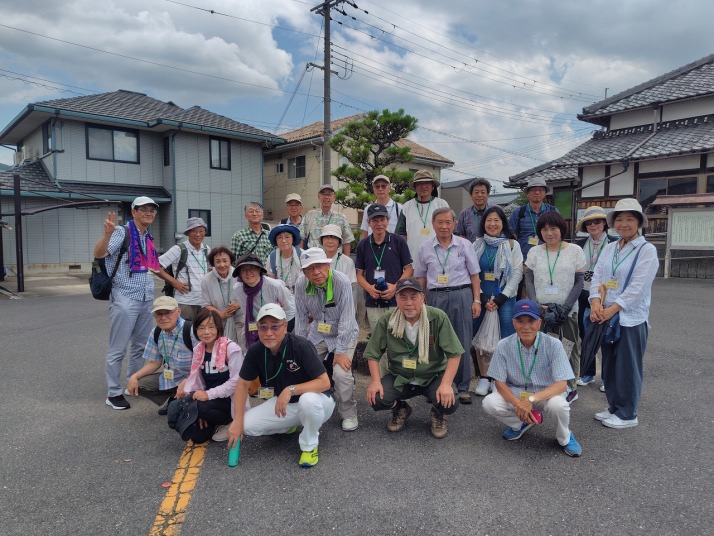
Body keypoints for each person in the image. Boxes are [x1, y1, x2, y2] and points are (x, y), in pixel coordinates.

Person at [227, 304, 335, 468]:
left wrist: (290, 390)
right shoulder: (255, 351)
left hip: (319, 402)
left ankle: (309, 446)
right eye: (263, 327)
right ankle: (290, 424)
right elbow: (242, 385)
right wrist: (237, 420)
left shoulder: (301, 346)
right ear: (257, 329)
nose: (269, 333)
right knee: (245, 425)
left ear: (285, 327)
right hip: (285, 405)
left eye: (275, 327)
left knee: (307, 401)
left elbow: (324, 382)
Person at [589, 199, 658, 429]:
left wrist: (611, 309)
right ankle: (614, 407)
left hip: (630, 318)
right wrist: (595, 302)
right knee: (610, 365)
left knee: (628, 366)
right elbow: (597, 276)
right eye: (619, 219)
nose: (624, 224)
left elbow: (638, 288)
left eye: (629, 219)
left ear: (639, 222)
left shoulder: (647, 250)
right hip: (606, 316)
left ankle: (628, 414)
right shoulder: (610, 248)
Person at [364, 277, 463, 438]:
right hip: (400, 376)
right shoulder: (388, 320)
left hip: (432, 376)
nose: (408, 303)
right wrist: (375, 382)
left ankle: (438, 412)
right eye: (403, 297)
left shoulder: (438, 317)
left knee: (450, 401)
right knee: (376, 397)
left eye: (413, 297)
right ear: (396, 299)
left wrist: (445, 384)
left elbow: (455, 354)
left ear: (423, 298)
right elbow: (372, 354)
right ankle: (400, 408)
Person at [482, 299, 582, 457]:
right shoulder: (503, 345)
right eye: (520, 321)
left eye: (531, 321)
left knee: (559, 405)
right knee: (489, 403)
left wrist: (530, 400)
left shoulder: (554, 344)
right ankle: (521, 423)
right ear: (513, 323)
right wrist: (518, 405)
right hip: (517, 393)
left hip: (545, 393)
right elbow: (499, 383)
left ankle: (565, 437)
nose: (526, 326)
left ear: (539, 323)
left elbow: (561, 385)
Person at [93, 196, 161, 410]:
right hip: (125, 296)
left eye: (152, 210)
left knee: (140, 346)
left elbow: (154, 267)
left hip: (145, 297)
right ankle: (113, 393)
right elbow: (99, 254)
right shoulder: (122, 232)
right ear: (133, 212)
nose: (149, 213)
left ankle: (133, 383)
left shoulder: (147, 236)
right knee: (118, 348)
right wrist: (107, 234)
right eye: (144, 209)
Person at [414, 207, 481, 404]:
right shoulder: (425, 247)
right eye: (440, 222)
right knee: (435, 341)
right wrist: (419, 301)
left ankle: (463, 386)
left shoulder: (464, 245)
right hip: (435, 296)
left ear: (454, 224)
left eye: (448, 222)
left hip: (461, 294)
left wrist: (476, 300)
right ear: (433, 225)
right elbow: (420, 277)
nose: (444, 226)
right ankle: (438, 385)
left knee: (462, 340)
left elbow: (474, 274)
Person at [294, 248, 359, 432]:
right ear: (304, 272)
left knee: (341, 373)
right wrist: (298, 348)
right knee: (301, 368)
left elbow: (347, 318)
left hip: (344, 332)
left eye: (320, 266)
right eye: (310, 269)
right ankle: (309, 407)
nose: (316, 272)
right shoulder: (301, 284)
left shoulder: (341, 281)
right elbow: (300, 317)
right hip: (318, 332)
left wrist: (340, 351)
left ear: (328, 265)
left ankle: (349, 413)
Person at [525, 211, 585, 403]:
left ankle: (570, 388)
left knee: (568, 347)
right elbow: (529, 279)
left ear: (561, 229)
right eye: (544, 229)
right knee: (541, 348)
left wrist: (566, 308)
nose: (549, 233)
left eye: (553, 228)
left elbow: (579, 281)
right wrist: (534, 303)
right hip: (540, 310)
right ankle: (545, 385)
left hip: (567, 310)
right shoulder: (535, 252)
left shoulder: (574, 250)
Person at [172, 309, 248, 443]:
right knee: (197, 437)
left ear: (219, 328)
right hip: (210, 400)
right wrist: (198, 409)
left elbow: (237, 382)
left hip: (229, 400)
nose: (206, 332)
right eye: (201, 328)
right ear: (196, 330)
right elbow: (197, 380)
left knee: (200, 407)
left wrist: (206, 397)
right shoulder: (198, 349)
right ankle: (211, 418)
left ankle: (229, 421)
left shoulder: (231, 348)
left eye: (211, 327)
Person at [471, 206, 523, 396]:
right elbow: (472, 272)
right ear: (483, 223)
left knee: (506, 338)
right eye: (488, 220)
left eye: (496, 220)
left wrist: (502, 298)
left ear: (503, 223)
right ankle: (484, 377)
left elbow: (517, 272)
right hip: (481, 297)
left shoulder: (512, 245)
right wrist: (482, 297)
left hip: (505, 298)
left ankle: (498, 379)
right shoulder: (476, 244)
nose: (492, 224)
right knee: (480, 338)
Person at [126, 296, 198, 413]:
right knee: (140, 384)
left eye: (168, 313)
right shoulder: (156, 332)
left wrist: (188, 381)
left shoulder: (191, 330)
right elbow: (155, 363)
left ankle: (187, 401)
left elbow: (204, 363)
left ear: (178, 312)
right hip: (173, 377)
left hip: (195, 377)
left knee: (183, 414)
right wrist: (134, 377)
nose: (163, 318)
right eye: (159, 314)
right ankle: (175, 398)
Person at [355, 203, 413, 337]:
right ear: (369, 223)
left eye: (382, 219)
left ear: (387, 221)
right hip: (373, 301)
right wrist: (369, 289)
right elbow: (359, 274)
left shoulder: (398, 241)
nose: (379, 224)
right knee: (378, 338)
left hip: (395, 300)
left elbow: (409, 269)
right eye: (375, 220)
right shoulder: (363, 244)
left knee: (397, 337)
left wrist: (395, 287)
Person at [574, 206, 616, 390]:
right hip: (584, 294)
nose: (593, 225)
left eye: (597, 221)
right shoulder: (579, 245)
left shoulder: (615, 243)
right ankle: (587, 373)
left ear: (604, 223)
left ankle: (607, 378)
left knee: (607, 338)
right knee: (586, 335)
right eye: (589, 222)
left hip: (608, 295)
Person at [231, 254, 295, 350]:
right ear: (239, 274)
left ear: (259, 270)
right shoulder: (238, 289)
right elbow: (246, 312)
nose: (248, 273)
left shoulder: (274, 286)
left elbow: (289, 309)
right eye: (243, 270)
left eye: (252, 268)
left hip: (275, 327)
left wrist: (281, 329)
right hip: (253, 327)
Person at [158, 217, 210, 321]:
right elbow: (155, 266)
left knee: (202, 329)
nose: (198, 234)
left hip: (204, 302)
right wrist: (174, 282)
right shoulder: (179, 249)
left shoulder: (206, 249)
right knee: (184, 329)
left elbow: (211, 271)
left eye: (201, 231)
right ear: (188, 233)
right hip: (185, 302)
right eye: (194, 231)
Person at [395, 169, 449, 259]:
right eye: (419, 183)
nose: (423, 186)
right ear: (415, 187)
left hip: (438, 258)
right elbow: (400, 234)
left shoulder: (442, 204)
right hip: (413, 258)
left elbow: (450, 230)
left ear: (432, 186)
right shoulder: (407, 206)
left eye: (427, 183)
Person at [508, 177, 559, 264]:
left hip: (548, 261)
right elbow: (512, 236)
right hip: (523, 261)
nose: (537, 192)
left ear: (545, 193)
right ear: (527, 193)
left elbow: (559, 235)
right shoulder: (518, 212)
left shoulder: (553, 211)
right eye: (533, 190)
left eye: (541, 190)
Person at [299, 184, 354, 253]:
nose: (326, 197)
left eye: (329, 194)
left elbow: (347, 241)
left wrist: (346, 259)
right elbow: (301, 237)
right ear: (318, 197)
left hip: (334, 258)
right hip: (314, 257)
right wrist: (301, 256)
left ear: (334, 197)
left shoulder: (341, 218)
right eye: (323, 194)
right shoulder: (309, 215)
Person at [200, 246, 240, 341]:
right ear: (213, 263)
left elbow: (247, 296)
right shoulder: (206, 279)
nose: (222, 265)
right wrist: (222, 314)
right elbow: (206, 304)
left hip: (238, 320)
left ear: (230, 261)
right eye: (218, 261)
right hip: (217, 321)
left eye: (225, 261)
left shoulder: (239, 275)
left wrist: (238, 305)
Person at [319, 224, 357, 296]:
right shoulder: (316, 261)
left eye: (334, 238)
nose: (330, 241)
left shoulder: (347, 262)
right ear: (322, 241)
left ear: (339, 242)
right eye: (326, 237)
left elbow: (352, 288)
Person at [455, 177, 495, 242]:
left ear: (487, 195)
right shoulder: (464, 214)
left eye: (483, 192)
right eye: (476, 192)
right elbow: (460, 235)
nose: (479, 195)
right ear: (471, 195)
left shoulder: (496, 211)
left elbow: (504, 231)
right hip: (471, 248)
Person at [266, 224, 303, 294]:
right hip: (281, 293)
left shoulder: (302, 255)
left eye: (287, 237)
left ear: (293, 239)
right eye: (279, 237)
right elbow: (271, 282)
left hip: (302, 292)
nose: (283, 240)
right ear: (276, 241)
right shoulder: (272, 257)